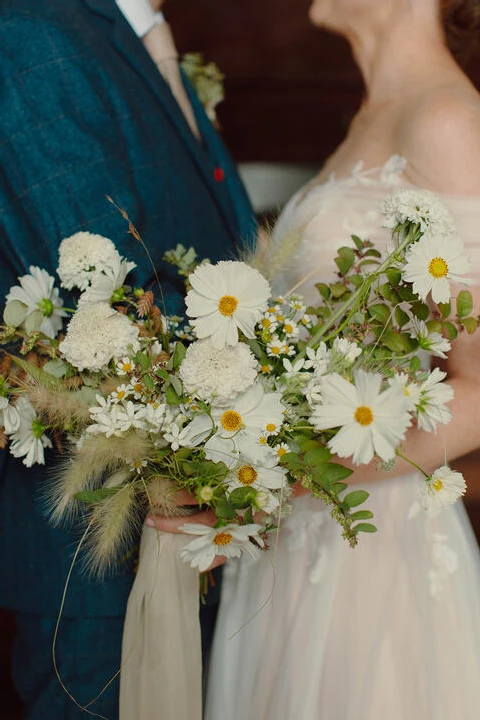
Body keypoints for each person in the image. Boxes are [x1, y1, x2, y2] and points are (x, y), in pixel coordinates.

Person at [204, 1, 480, 718]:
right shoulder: (369, 118)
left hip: (374, 551)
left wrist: (306, 472)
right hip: (290, 543)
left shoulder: (449, 121)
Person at [0, 0, 255, 718]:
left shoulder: (131, 31)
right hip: (97, 565)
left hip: (186, 527)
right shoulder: (30, 30)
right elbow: (101, 302)